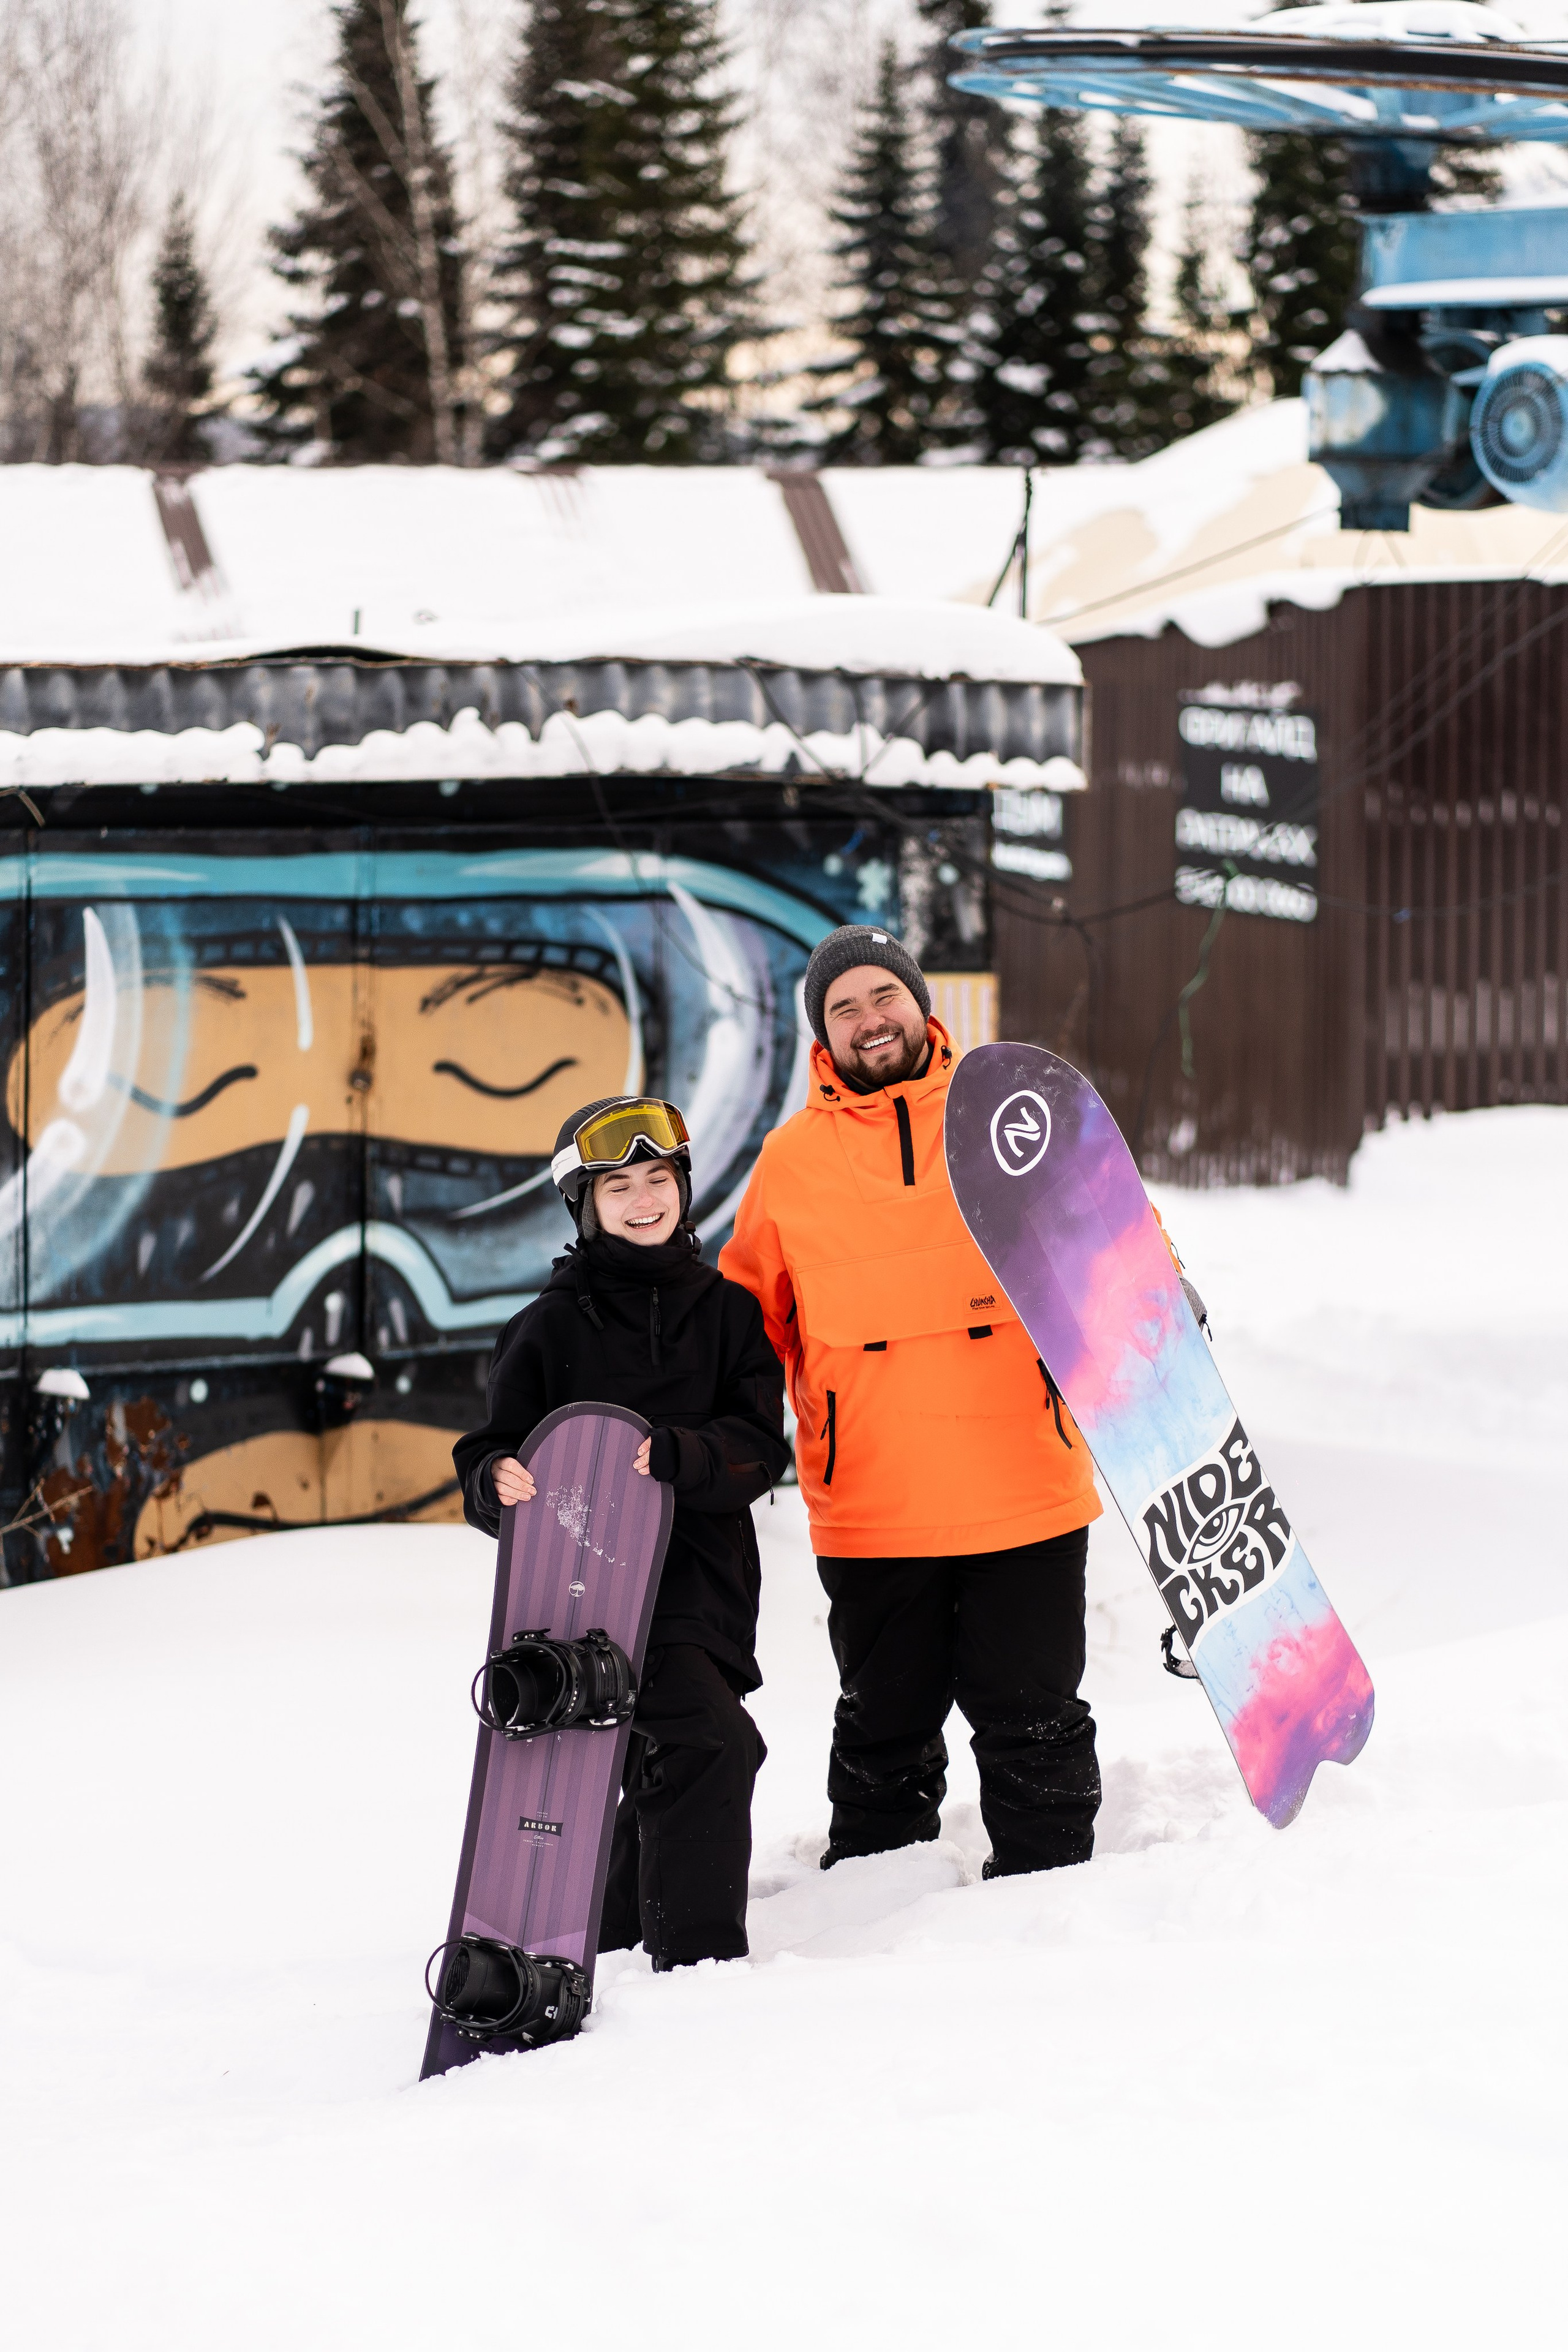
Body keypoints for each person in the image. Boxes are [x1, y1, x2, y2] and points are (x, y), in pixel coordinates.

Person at [719, 927, 1104, 1878]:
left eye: (881, 996)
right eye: (843, 1007)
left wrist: (1166, 1296)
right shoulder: (788, 1163)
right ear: (823, 1034)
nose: (868, 1019)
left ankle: (1051, 1906)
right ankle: (872, 1908)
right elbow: (742, 1326)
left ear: (919, 1004)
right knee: (885, 1724)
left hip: (1024, 1483)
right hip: (875, 1507)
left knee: (1035, 1715)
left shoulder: (1008, 1117)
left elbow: (1113, 1234)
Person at [454, 1095, 791, 1970]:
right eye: (618, 1188)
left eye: (658, 1179)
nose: (644, 1199)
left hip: (704, 1587)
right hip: (588, 1594)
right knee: (714, 1744)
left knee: (675, 1756)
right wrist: (494, 1481)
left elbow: (761, 1450)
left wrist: (684, 1454)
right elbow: (493, 1450)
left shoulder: (729, 1316)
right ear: (586, 1207)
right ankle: (698, 1960)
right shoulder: (548, 1326)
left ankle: (610, 1933)